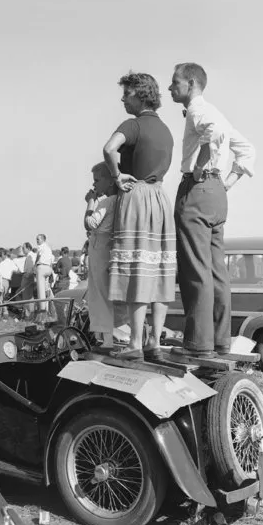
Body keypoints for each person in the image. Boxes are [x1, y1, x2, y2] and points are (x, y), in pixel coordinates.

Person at [169, 62, 256, 357]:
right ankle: (220, 340)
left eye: (175, 83)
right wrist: (228, 182)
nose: (171, 88)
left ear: (191, 83)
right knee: (217, 270)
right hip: (217, 192)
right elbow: (246, 150)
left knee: (195, 269)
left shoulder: (198, 110)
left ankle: (198, 344)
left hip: (199, 189)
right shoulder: (216, 110)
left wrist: (198, 168)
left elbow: (214, 133)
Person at [103, 71, 176, 360]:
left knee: (137, 270)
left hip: (137, 195)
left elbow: (109, 149)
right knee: (158, 269)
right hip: (160, 198)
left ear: (139, 94)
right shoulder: (166, 130)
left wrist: (117, 175)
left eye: (127, 93)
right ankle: (154, 342)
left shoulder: (132, 125)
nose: (123, 98)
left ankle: (134, 343)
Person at [84, 163, 118, 351]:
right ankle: (106, 336)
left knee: (99, 293)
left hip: (99, 248)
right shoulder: (118, 200)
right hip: (108, 247)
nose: (95, 184)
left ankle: (106, 339)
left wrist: (90, 202)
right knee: (105, 293)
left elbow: (90, 223)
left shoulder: (106, 202)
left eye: (97, 180)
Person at [0, 248, 17, 317]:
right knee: (5, 299)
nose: (1, 257)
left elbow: (0, 274)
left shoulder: (2, 263)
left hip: (0, 281)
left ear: (4, 255)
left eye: (1, 255)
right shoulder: (12, 262)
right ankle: (5, 314)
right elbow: (16, 270)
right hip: (7, 282)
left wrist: (0, 285)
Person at [34, 234, 54, 311]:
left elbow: (38, 257)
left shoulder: (40, 247)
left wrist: (34, 265)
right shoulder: (49, 248)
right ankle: (50, 306)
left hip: (41, 267)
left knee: (40, 291)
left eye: (38, 239)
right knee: (47, 288)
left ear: (43, 240)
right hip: (48, 268)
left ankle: (42, 311)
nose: (37, 241)